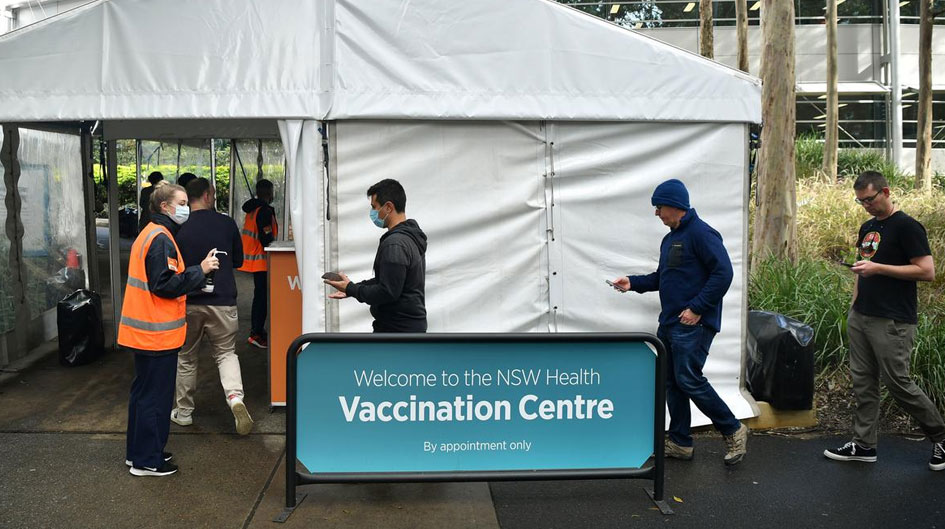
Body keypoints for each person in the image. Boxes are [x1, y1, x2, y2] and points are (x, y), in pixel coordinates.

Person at [612, 178, 748, 465]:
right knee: (672, 382)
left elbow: (723, 273)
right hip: (670, 323)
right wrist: (632, 283)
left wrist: (697, 308)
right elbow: (662, 278)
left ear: (675, 206)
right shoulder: (670, 239)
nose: (656, 213)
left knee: (688, 379)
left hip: (693, 324)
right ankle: (680, 442)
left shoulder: (702, 234)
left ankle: (733, 429)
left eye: (659, 207)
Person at [824, 171, 944, 471]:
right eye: (860, 201)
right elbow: (862, 268)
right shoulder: (868, 227)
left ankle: (941, 436)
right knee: (863, 382)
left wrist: (879, 268)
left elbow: (927, 271)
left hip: (892, 319)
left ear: (886, 192)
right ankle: (864, 444)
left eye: (869, 199)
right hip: (862, 315)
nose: (866, 206)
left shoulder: (907, 226)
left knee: (898, 383)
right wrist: (854, 306)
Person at [121, 183, 220, 477]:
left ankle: (139, 453)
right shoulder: (161, 239)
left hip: (145, 332)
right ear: (165, 206)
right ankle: (148, 461)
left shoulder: (151, 233)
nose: (186, 208)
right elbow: (163, 284)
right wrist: (200, 270)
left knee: (142, 395)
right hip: (156, 334)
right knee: (156, 398)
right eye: (181, 203)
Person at [171, 178, 253, 435]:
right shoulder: (226, 223)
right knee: (226, 353)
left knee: (186, 357)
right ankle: (235, 398)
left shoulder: (179, 227)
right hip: (223, 301)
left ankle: (184, 412)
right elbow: (238, 261)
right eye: (214, 194)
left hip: (189, 302)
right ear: (207, 195)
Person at [324, 179, 427, 333]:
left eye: (374, 207)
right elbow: (388, 280)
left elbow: (387, 291)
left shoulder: (395, 244)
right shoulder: (410, 238)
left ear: (388, 207)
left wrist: (352, 289)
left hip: (396, 333)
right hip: (407, 330)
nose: (372, 213)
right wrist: (351, 288)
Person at [239, 179, 278, 348]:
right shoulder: (264, 211)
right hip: (261, 260)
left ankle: (257, 331)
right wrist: (274, 244)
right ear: (269, 192)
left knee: (259, 296)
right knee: (261, 298)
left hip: (254, 260)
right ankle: (256, 333)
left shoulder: (253, 209)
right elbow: (265, 237)